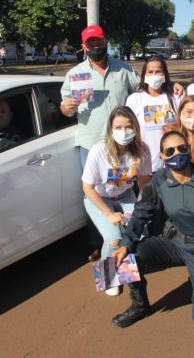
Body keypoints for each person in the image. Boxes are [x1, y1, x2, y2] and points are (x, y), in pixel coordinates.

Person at [60, 26, 183, 261]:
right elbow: (64, 106)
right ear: (83, 46)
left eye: (99, 42)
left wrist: (172, 84)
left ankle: (125, 247)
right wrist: (66, 108)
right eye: (91, 43)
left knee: (123, 193)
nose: (96, 47)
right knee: (98, 195)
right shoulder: (75, 74)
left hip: (124, 145)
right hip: (92, 143)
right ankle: (102, 242)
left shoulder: (123, 69)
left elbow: (148, 86)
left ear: (106, 41)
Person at [110, 130, 194, 330]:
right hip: (174, 243)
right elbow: (140, 214)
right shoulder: (159, 181)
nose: (177, 154)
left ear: (190, 149)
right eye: (170, 150)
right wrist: (125, 244)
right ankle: (140, 305)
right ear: (162, 156)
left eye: (182, 148)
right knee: (128, 256)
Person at [81, 106, 152, 296]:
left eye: (129, 127)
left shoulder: (143, 150)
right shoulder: (99, 151)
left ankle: (124, 271)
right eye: (118, 127)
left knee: (136, 232)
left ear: (136, 128)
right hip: (99, 198)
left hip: (126, 196)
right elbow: (87, 187)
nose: (124, 132)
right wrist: (108, 213)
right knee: (114, 238)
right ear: (110, 129)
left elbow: (145, 180)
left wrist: (143, 206)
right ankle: (109, 277)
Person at [126, 56, 180, 172]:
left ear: (164, 74)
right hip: (145, 166)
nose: (154, 75)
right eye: (150, 72)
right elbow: (129, 130)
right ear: (144, 75)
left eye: (158, 71)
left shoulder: (175, 98)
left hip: (172, 162)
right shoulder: (134, 99)